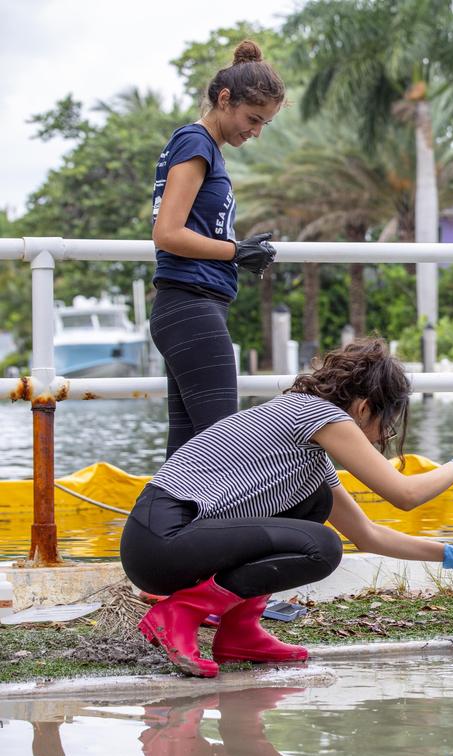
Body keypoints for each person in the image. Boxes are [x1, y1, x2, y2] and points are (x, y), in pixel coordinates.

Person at [120, 337, 453, 677]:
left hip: (167, 545)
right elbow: (405, 494)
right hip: (159, 541)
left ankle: (240, 632)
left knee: (315, 503)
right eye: (387, 425)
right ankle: (181, 613)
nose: (385, 437)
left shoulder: (308, 449)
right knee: (322, 545)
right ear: (363, 408)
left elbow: (368, 535)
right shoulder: (319, 414)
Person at [149, 39, 285, 457]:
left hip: (191, 307)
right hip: (189, 305)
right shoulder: (195, 143)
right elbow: (167, 232)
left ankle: (167, 524)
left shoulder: (206, 150)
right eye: (252, 118)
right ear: (224, 99)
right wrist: (236, 252)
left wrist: (235, 250)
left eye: (265, 123)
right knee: (225, 449)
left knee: (189, 452)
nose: (256, 131)